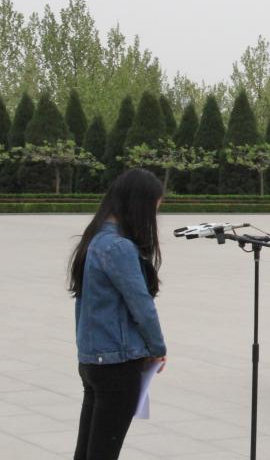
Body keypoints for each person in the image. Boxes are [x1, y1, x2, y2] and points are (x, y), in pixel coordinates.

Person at [70, 169, 167, 460]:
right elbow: (141, 305)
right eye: (154, 209)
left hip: (93, 361)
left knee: (88, 451)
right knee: (103, 452)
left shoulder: (95, 238)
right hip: (117, 364)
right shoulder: (119, 247)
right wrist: (157, 348)